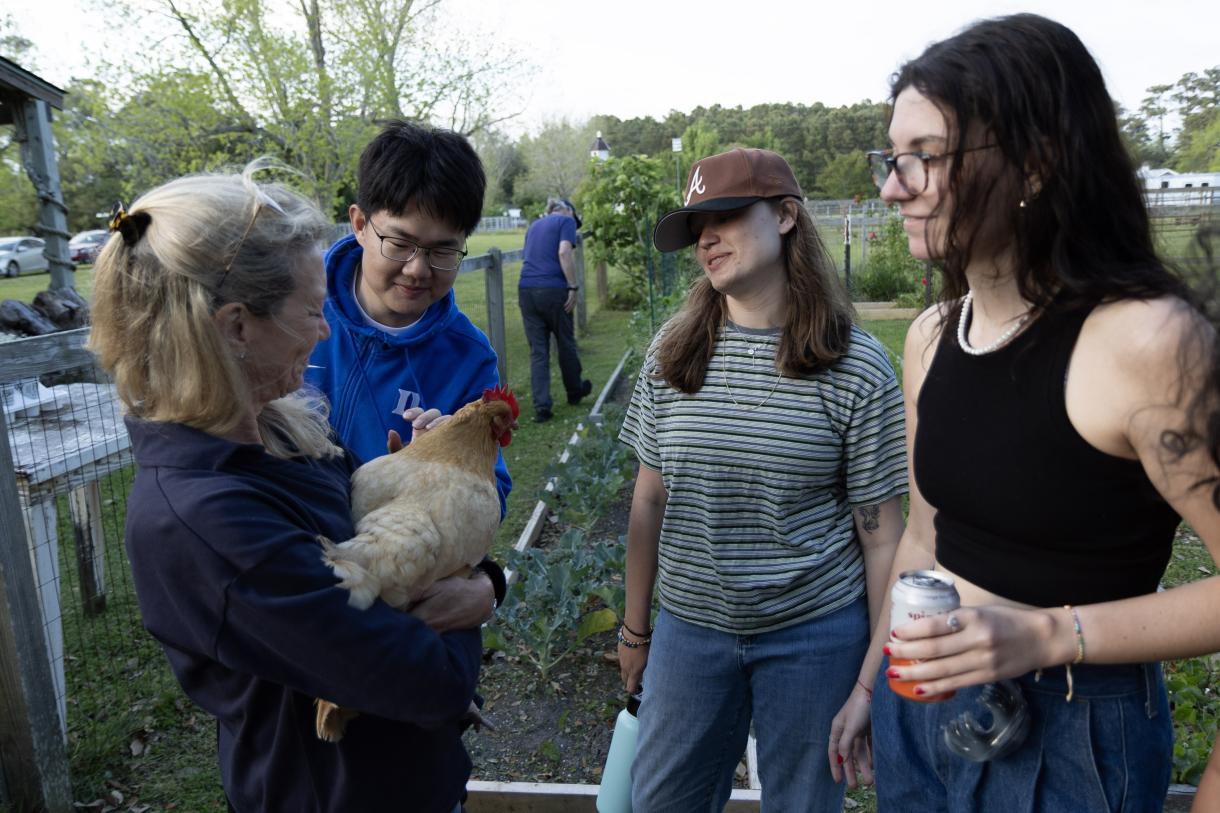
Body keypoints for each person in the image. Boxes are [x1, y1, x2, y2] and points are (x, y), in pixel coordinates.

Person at [842, 14, 1220, 811]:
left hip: (1074, 730)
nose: (890, 186)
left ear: (1037, 163)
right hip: (921, 702)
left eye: (926, 158)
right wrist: (872, 681)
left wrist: (1051, 632)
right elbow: (922, 535)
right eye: (893, 157)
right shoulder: (931, 336)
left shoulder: (1148, 342)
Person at [88, 166, 501, 812]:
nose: (326, 329)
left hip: (406, 781)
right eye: (313, 310)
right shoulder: (204, 523)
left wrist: (481, 580)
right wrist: (465, 604)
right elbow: (431, 679)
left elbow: (380, 536)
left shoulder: (286, 427)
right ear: (236, 327)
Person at [617, 147, 908, 811]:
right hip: (690, 631)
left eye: (723, 215)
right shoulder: (673, 353)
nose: (705, 237)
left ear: (784, 216)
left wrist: (870, 677)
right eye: (696, 225)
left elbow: (884, 539)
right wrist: (637, 631)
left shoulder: (855, 367)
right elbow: (648, 500)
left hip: (815, 635)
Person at [306, 120, 511, 510]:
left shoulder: (468, 358)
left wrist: (443, 470)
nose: (418, 269)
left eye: (443, 251)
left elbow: (492, 492)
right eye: (400, 243)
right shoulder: (294, 307)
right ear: (360, 225)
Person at [517, 197, 592, 423]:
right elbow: (563, 252)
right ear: (568, 210)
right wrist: (572, 286)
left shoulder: (533, 225)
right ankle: (574, 391)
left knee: (538, 351)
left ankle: (542, 407)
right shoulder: (566, 221)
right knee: (565, 342)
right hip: (554, 291)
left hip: (526, 290)